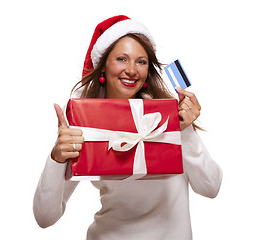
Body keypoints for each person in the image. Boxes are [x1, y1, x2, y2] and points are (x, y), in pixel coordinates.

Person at [33, 15, 222, 240]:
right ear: (103, 66)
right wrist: (57, 157)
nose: (132, 70)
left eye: (141, 61)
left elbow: (210, 188)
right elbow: (45, 217)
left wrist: (185, 131)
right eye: (122, 59)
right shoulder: (86, 120)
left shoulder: (168, 117)